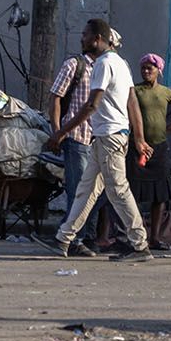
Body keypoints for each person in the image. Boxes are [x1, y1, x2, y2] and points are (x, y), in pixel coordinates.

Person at [43, 19, 152, 262]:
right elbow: (132, 102)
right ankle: (64, 238)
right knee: (86, 190)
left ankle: (139, 245)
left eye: (84, 35)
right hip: (107, 137)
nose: (81, 39)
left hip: (109, 137)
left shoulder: (103, 63)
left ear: (97, 39)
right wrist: (138, 137)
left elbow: (92, 104)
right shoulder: (122, 64)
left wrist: (60, 132)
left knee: (118, 190)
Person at [128, 53, 171, 250]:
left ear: (159, 71)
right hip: (138, 147)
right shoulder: (135, 91)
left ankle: (155, 238)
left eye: (150, 68)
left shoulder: (166, 92)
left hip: (159, 148)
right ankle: (137, 236)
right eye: (143, 68)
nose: (146, 71)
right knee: (134, 194)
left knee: (160, 195)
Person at [48, 49, 99, 256]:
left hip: (98, 139)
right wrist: (57, 132)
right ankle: (73, 239)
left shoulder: (107, 68)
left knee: (97, 192)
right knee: (78, 191)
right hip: (77, 137)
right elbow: (55, 98)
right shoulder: (75, 65)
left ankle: (82, 235)